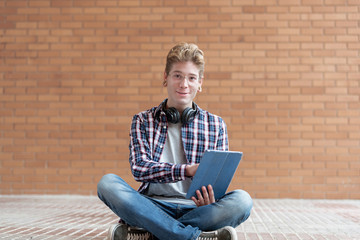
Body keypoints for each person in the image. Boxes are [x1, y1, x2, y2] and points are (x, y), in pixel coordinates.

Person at [97, 42, 252, 240]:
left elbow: (218, 181)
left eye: (191, 78)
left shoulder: (216, 124)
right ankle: (190, 236)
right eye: (177, 75)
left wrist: (212, 200)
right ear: (166, 78)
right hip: (151, 205)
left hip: (196, 210)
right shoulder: (143, 120)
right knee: (107, 184)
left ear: (200, 82)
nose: (184, 84)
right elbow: (140, 168)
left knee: (242, 201)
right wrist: (186, 170)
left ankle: (155, 231)